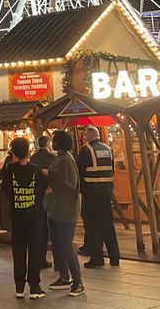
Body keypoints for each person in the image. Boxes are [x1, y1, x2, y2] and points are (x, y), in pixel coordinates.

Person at [1, 137, 46, 300]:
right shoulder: (35, 170)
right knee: (34, 250)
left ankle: (19, 286)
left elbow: (5, 188)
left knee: (18, 251)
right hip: (34, 216)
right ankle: (34, 286)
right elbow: (42, 189)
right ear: (28, 151)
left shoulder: (9, 170)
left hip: (17, 216)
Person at [45, 130, 85, 296]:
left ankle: (78, 282)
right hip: (55, 207)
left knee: (66, 244)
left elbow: (71, 183)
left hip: (66, 209)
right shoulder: (59, 158)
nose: (51, 143)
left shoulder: (67, 160)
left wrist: (50, 177)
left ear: (59, 142)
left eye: (54, 140)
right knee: (57, 243)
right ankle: (64, 276)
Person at [77, 125, 120, 268]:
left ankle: (97, 258)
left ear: (89, 136)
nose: (84, 139)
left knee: (93, 225)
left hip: (91, 193)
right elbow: (112, 169)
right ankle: (114, 257)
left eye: (84, 136)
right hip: (106, 191)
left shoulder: (86, 150)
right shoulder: (107, 149)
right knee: (108, 223)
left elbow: (79, 172)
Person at [31, 136, 56, 270]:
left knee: (40, 229)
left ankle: (40, 259)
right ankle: (58, 261)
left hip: (37, 196)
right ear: (48, 143)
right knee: (53, 228)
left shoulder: (33, 158)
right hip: (51, 196)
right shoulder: (53, 158)